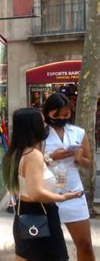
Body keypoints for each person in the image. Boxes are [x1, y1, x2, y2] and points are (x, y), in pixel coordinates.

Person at [2, 107, 82, 261]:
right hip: (40, 212)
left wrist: (50, 158)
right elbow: (36, 192)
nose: (46, 125)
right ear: (33, 127)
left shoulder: (16, 153)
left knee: (26, 254)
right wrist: (65, 197)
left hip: (25, 211)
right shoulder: (33, 155)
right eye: (43, 122)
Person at [42, 93, 95, 261]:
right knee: (44, 248)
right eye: (57, 115)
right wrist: (52, 157)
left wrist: (80, 159)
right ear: (48, 112)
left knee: (85, 244)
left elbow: (88, 163)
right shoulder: (40, 134)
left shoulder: (78, 133)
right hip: (47, 192)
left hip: (72, 190)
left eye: (66, 115)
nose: (62, 118)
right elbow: (29, 160)